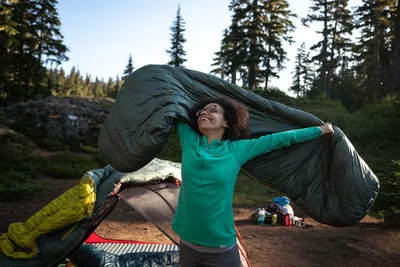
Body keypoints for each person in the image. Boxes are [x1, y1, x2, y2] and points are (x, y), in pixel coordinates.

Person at [173, 97, 334, 267]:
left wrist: (321, 130)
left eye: (213, 109)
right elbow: (169, 104)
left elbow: (281, 139)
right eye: (201, 111)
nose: (204, 112)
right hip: (188, 245)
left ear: (227, 122)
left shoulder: (237, 149)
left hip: (220, 249)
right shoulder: (188, 139)